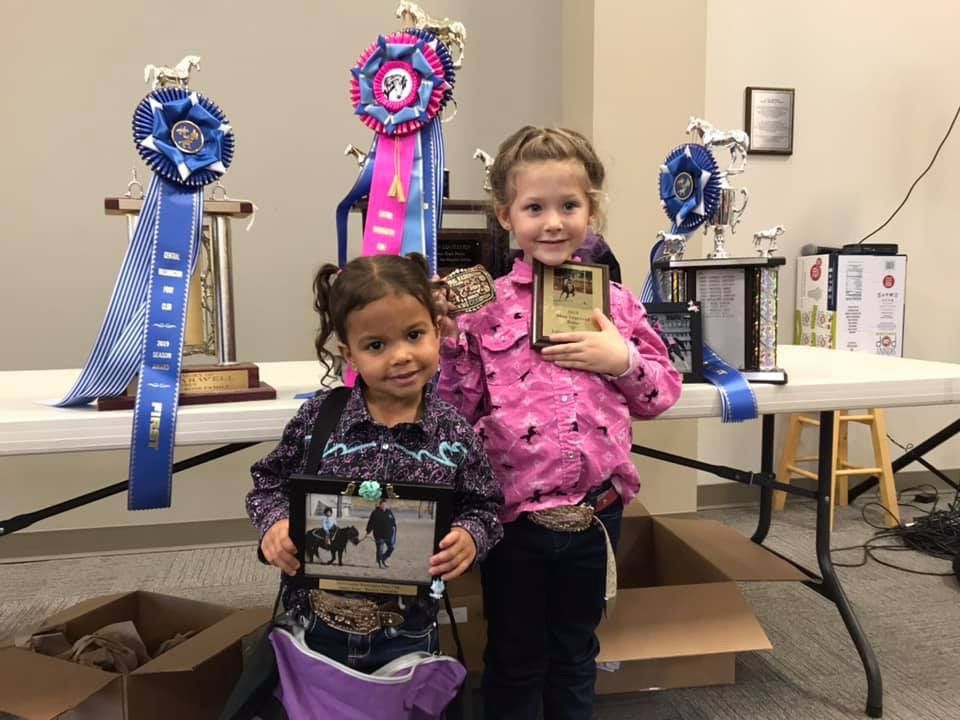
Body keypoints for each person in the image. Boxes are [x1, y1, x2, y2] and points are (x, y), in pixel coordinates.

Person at [436, 126, 683, 719]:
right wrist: (444, 342)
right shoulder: (481, 306)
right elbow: (455, 411)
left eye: (569, 206)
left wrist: (620, 359)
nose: (553, 222)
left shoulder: (618, 304)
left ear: (590, 210)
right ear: (505, 216)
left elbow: (660, 392)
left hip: (594, 514)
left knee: (576, 652)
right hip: (512, 520)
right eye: (534, 207)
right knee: (516, 655)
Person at [246, 253, 503, 672]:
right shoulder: (319, 420)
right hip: (314, 624)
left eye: (414, 335)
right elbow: (268, 483)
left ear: (437, 332)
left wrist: (471, 536)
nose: (401, 356)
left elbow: (486, 505)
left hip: (409, 629)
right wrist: (273, 525)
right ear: (350, 354)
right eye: (376, 345)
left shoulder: (454, 432)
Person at [365, 498, 398, 568]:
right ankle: (380, 563)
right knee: (380, 549)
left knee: (391, 548)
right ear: (380, 505)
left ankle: (383, 558)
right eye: (382, 505)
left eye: (385, 505)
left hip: (388, 535)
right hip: (378, 535)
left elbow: (393, 521)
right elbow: (370, 523)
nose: (384, 506)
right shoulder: (375, 512)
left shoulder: (389, 512)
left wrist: (394, 527)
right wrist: (368, 531)